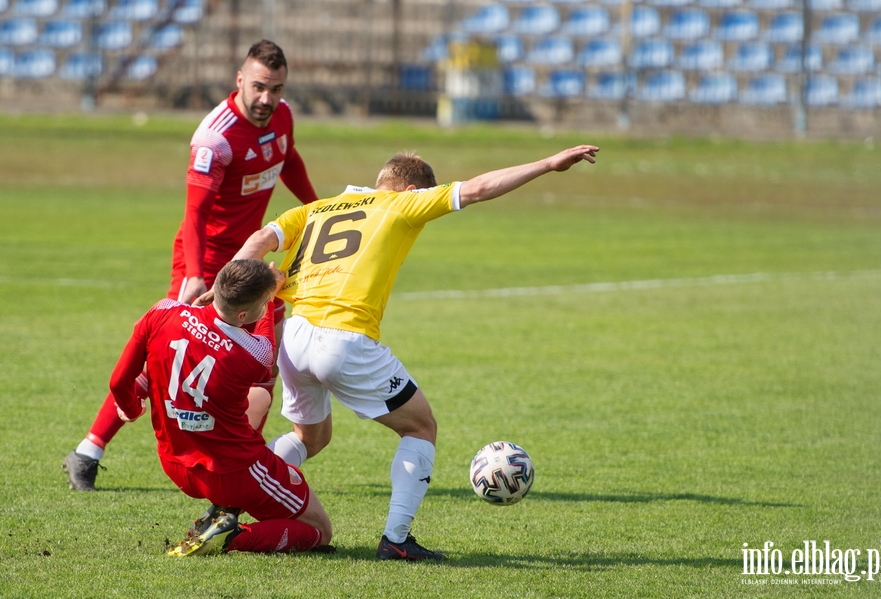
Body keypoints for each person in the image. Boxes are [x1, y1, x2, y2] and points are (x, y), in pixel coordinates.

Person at [212, 144, 598, 560]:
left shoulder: (317, 208)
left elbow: (258, 240)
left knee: (310, 437)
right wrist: (547, 163)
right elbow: (479, 188)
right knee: (420, 427)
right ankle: (396, 541)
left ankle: (226, 507)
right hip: (344, 339)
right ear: (411, 189)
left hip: (295, 336)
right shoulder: (399, 204)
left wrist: (221, 299)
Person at [63, 39, 318, 491]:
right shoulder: (214, 137)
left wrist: (319, 210)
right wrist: (195, 274)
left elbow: (289, 160)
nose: (266, 98)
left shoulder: (282, 117)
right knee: (170, 355)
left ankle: (239, 463)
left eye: (276, 89)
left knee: (261, 365)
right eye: (258, 86)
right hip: (204, 260)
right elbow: (194, 214)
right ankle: (89, 449)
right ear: (239, 80)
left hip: (250, 260)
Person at [112, 259, 333, 556]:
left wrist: (132, 406)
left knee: (259, 399)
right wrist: (271, 301)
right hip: (233, 472)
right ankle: (231, 537)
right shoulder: (252, 354)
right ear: (243, 314)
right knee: (318, 530)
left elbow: (118, 382)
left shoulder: (162, 311)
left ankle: (225, 507)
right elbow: (265, 345)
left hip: (175, 463)